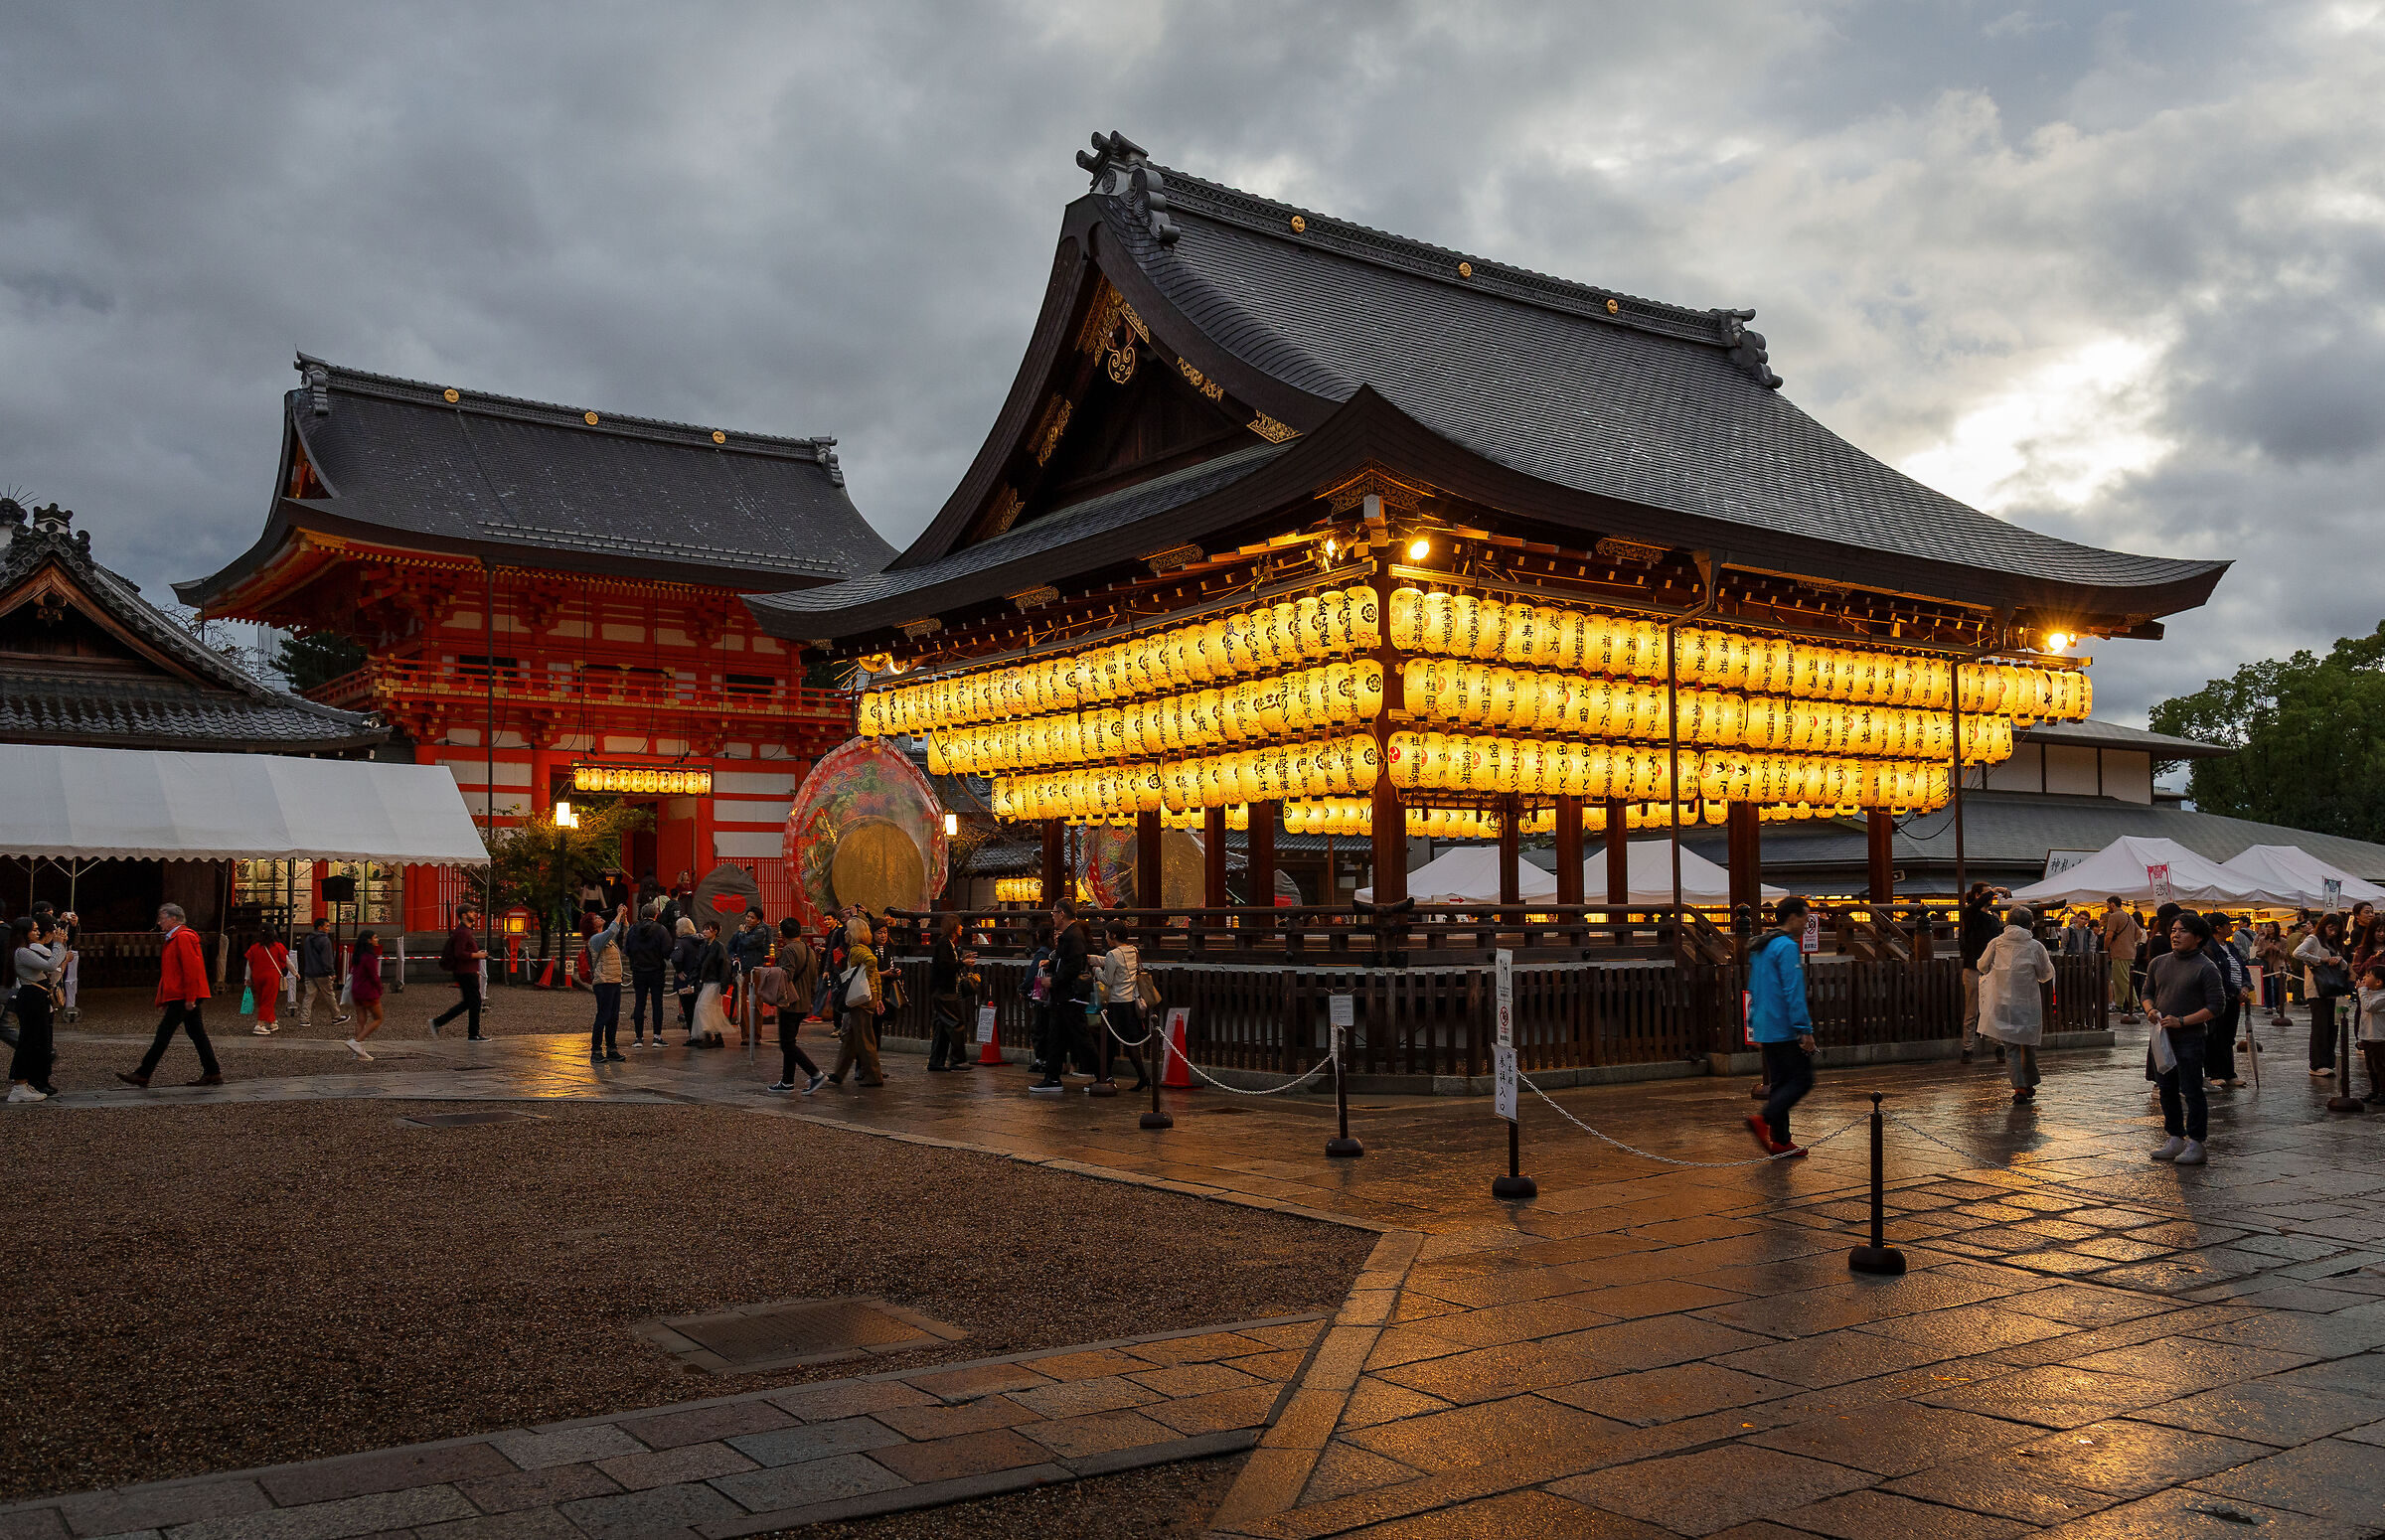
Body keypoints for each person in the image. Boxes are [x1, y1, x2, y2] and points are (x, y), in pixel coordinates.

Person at [2146, 911, 2227, 1164]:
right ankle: (2174, 1136)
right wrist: (2150, 1010)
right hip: (2162, 1037)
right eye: (2173, 930)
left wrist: (2183, 1021)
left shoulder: (2206, 967)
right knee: (2166, 1088)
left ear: (2199, 937)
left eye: (2182, 931)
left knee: (2192, 1089)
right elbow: (2147, 992)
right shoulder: (2158, 962)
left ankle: (2197, 1141)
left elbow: (2216, 1006)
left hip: (2190, 1038)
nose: (2175, 935)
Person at [119, 903, 222, 1088]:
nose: (159, 922)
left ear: (173, 918)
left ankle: (144, 1072)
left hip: (183, 994)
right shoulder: (180, 937)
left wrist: (189, 997)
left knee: (165, 1033)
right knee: (196, 1033)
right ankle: (212, 1071)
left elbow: (190, 969)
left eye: (162, 918)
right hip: (184, 993)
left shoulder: (182, 937)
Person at [1743, 896, 1816, 1155]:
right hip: (1783, 1024)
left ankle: (1782, 1140)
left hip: (1765, 1023)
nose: (1807, 923)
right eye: (1805, 918)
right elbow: (1792, 989)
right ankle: (1764, 1119)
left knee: (1781, 1083)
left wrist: (1754, 1022)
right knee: (1802, 1079)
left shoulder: (1762, 946)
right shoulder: (1785, 946)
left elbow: (1755, 987)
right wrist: (1804, 1029)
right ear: (1793, 917)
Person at [1975, 903, 2056, 1101]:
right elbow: (2046, 974)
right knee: (2028, 1043)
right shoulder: (2036, 946)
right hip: (2028, 1002)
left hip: (2002, 1001)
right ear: (2030, 925)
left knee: (2010, 1047)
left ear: (2008, 923)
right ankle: (2029, 1083)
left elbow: (1982, 965)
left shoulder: (1996, 943)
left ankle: (2019, 1087)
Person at [1033, 901, 1095, 1093]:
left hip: (1071, 996)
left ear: (1061, 914)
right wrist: (1049, 965)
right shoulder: (1069, 934)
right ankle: (1052, 1077)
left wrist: (1055, 981)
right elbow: (1063, 960)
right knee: (1056, 1037)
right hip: (1063, 997)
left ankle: (1103, 1075)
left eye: (1053, 912)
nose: (1052, 917)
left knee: (1082, 1037)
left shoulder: (1073, 935)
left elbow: (1074, 965)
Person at [9, 914, 65, 1102]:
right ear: (24, 933)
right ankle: (19, 1086)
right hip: (31, 997)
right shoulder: (22, 952)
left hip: (37, 996)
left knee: (35, 1041)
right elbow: (50, 965)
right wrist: (58, 945)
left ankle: (26, 1083)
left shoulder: (24, 951)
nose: (37, 932)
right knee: (28, 1041)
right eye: (33, 929)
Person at [827, 916, 884, 1086]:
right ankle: (839, 1073)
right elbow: (876, 977)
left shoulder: (856, 950)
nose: (844, 932)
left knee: (864, 1037)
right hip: (869, 997)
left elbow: (872, 964)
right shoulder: (865, 949)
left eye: (847, 929)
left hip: (861, 999)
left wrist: (863, 980)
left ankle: (874, 1076)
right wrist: (878, 996)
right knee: (851, 1037)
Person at [1096, 923, 1153, 1092]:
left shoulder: (1112, 954)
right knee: (1130, 1044)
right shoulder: (1132, 950)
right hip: (1130, 1001)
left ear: (1113, 935)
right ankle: (1143, 1077)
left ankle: (1105, 1076)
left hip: (1117, 1003)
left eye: (1106, 934)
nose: (1105, 937)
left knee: (1109, 1042)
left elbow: (1107, 980)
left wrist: (1096, 970)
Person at [2296, 912, 2350, 1077]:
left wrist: (2339, 959)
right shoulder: (2314, 939)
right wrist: (2321, 960)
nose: (2332, 932)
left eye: (2336, 930)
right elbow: (2298, 953)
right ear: (2324, 926)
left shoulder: (2335, 943)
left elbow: (2345, 966)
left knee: (2332, 1027)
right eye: (2330, 929)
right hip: (2317, 989)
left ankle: (2328, 1061)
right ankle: (2317, 1063)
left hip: (2333, 990)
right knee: (2320, 1026)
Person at [1958, 883, 2005, 1064]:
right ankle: (1967, 1048)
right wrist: (1996, 890)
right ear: (1977, 896)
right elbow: (1975, 907)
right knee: (1972, 1009)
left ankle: (1998, 1044)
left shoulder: (1994, 917)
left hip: (1992, 968)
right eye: (1987, 894)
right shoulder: (1971, 914)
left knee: (1994, 1007)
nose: (1991, 897)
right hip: (1973, 968)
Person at [428, 905, 489, 1040]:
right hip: (465, 972)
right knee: (475, 1002)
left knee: (469, 1002)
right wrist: (477, 956)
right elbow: (459, 953)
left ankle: (438, 1022)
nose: (474, 914)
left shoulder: (465, 931)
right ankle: (473, 1033)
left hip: (467, 971)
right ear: (463, 915)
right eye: (471, 912)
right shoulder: (463, 933)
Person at [2205, 913, 2251, 1088]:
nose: (2231, 928)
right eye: (2228, 925)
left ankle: (2229, 1072)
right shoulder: (2209, 948)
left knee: (2229, 1036)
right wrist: (2236, 990)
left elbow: (2242, 967)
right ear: (2218, 928)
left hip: (2234, 998)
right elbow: (2218, 974)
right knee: (2215, 1035)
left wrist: (2246, 986)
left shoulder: (2230, 947)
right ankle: (2213, 1073)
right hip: (2219, 997)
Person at [927, 913, 974, 1072]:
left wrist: (961, 961)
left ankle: (936, 1061)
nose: (962, 927)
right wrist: (962, 963)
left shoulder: (947, 943)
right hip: (944, 992)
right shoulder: (944, 943)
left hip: (942, 991)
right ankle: (958, 1060)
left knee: (942, 1027)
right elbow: (945, 966)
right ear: (953, 927)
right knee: (956, 1024)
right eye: (959, 925)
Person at [624, 900, 674, 1048]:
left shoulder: (633, 930)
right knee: (657, 1003)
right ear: (656, 915)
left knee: (639, 1002)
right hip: (656, 970)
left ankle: (638, 1037)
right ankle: (656, 1037)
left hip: (638, 970)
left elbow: (627, 949)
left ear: (641, 914)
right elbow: (666, 951)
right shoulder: (661, 930)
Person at [584, 903, 628, 1062]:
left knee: (613, 1016)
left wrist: (623, 918)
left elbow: (620, 934)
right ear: (591, 925)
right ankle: (596, 1050)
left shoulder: (608, 940)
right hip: (603, 981)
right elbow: (612, 930)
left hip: (614, 979)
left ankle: (611, 1048)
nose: (599, 917)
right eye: (596, 918)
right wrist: (618, 914)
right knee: (603, 1015)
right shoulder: (595, 939)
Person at [295, 915, 346, 1031]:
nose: (328, 928)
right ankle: (336, 1016)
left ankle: (304, 1019)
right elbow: (327, 958)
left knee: (309, 996)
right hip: (322, 972)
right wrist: (331, 972)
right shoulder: (324, 940)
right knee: (329, 995)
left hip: (310, 971)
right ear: (320, 927)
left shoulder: (308, 939)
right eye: (327, 926)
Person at [343, 931, 388, 1059]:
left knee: (361, 1020)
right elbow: (374, 976)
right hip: (368, 991)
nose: (377, 939)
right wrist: (380, 989)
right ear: (369, 941)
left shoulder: (357, 956)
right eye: (375, 937)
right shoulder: (369, 957)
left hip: (356, 990)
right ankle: (357, 1042)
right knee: (378, 1018)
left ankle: (358, 1052)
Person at [691, 919, 732, 1048]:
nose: (704, 931)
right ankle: (717, 1037)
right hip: (706, 981)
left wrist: (724, 984)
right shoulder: (704, 945)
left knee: (703, 1007)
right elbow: (699, 964)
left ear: (715, 931)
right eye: (704, 929)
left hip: (715, 981)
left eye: (707, 929)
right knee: (709, 1009)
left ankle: (709, 1036)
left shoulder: (719, 947)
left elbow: (724, 966)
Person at [2101, 896, 2143, 1023]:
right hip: (2130, 952)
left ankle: (2135, 1005)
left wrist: (2105, 949)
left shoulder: (2114, 917)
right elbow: (2139, 933)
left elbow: (2109, 935)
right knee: (2119, 978)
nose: (2107, 907)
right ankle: (2118, 1004)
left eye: (2108, 905)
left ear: (2112, 905)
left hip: (2119, 952)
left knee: (2123, 979)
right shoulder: (2129, 916)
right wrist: (2130, 941)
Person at [244, 928, 292, 1037]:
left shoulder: (254, 947)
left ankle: (272, 1021)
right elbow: (287, 961)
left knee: (262, 999)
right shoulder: (277, 946)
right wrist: (295, 973)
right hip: (272, 976)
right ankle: (260, 1024)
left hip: (257, 976)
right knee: (269, 1000)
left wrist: (247, 978)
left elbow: (248, 964)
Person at [670, 916, 705, 1041]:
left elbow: (676, 958)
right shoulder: (701, 941)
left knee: (688, 1010)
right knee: (699, 1008)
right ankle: (702, 1034)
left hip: (686, 980)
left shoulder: (681, 942)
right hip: (699, 978)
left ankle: (693, 1036)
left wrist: (679, 971)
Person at [2356, 962, 2385, 1106]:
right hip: (2368, 1036)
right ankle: (2374, 1090)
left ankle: (2383, 1092)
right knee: (2371, 1067)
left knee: (2380, 1066)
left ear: (2379, 982)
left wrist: (2361, 991)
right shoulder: (2369, 994)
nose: (2365, 978)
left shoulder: (2382, 997)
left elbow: (2369, 1007)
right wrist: (2361, 1037)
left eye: (2368, 976)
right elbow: (2364, 1018)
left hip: (2379, 1038)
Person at [2257, 920, 2295, 1026]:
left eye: (2271, 927)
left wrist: (2277, 950)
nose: (2269, 929)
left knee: (2279, 987)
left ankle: (2279, 1005)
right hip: (2267, 966)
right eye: (2268, 927)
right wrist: (2266, 950)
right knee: (2267, 986)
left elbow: (2286, 955)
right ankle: (2269, 1006)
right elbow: (2258, 953)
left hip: (2278, 966)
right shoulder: (2262, 940)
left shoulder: (2283, 940)